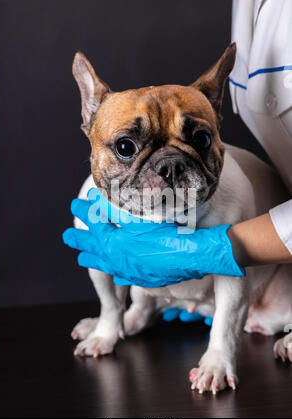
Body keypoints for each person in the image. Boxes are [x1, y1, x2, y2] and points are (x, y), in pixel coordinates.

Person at [63, 0, 292, 322]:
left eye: (198, 140)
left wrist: (215, 249)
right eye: (127, 147)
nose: (169, 168)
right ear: (88, 115)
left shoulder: (232, 193)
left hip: (279, 280)